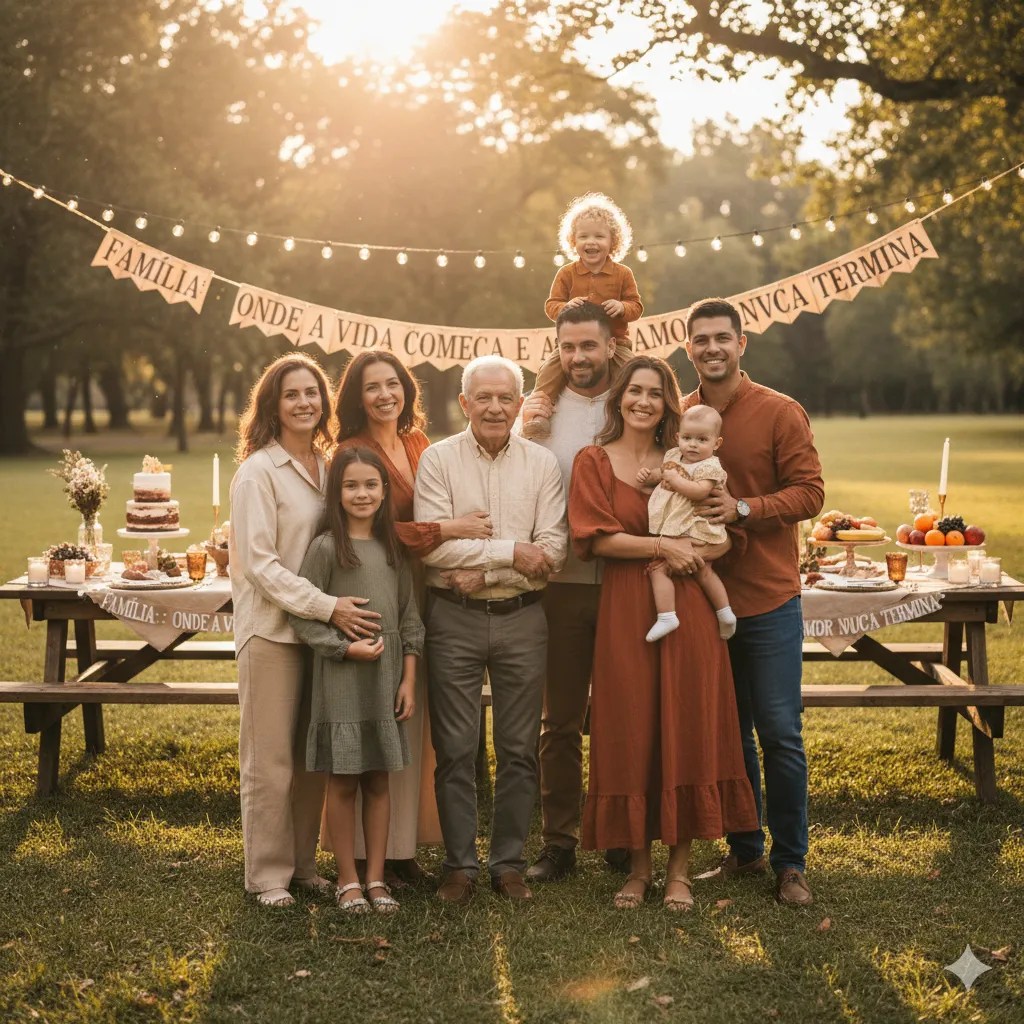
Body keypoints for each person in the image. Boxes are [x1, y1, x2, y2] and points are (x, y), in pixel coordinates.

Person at [568, 355, 759, 912]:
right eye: (635, 391)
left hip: (689, 605)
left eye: (655, 393)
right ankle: (637, 867)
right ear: (619, 398)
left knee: (685, 724)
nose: (643, 401)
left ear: (669, 405)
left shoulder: (692, 462)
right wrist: (663, 546)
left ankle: (679, 871)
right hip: (629, 609)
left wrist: (695, 551)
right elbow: (596, 538)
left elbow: (725, 537)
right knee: (631, 727)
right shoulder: (593, 461)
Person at [330, 351, 493, 888]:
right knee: (381, 717)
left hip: (427, 590)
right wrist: (447, 531)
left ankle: (403, 847)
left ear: (406, 389)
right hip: (381, 587)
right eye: (372, 386)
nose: (384, 395)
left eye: (393, 384)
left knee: (415, 721)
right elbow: (373, 531)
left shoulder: (420, 442)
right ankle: (368, 855)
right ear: (356, 396)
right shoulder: (352, 452)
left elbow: (440, 507)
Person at [682, 297, 825, 907]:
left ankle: (791, 863)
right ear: (688, 348)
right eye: (700, 339)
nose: (711, 348)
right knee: (726, 733)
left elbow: (811, 493)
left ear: (742, 344)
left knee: (779, 732)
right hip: (699, 601)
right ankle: (745, 848)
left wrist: (744, 508)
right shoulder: (678, 414)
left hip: (765, 599)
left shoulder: (778, 412)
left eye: (722, 337)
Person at [414, 355, 568, 902]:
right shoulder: (437, 461)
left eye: (506, 397)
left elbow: (551, 551)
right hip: (451, 621)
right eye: (484, 397)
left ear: (520, 403)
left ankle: (508, 864)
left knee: (520, 748)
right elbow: (435, 545)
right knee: (455, 747)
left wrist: (481, 570)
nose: (496, 407)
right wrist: (509, 552)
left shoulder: (542, 465)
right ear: (464, 404)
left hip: (523, 620)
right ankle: (459, 865)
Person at [230, 352, 380, 908]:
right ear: (273, 403)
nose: (303, 403)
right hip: (273, 631)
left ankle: (302, 866)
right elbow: (260, 565)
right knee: (269, 760)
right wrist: (328, 608)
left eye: (312, 393)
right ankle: (267, 876)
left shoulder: (327, 466)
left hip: (323, 633)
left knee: (311, 755)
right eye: (291, 394)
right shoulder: (257, 473)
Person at [518, 301, 627, 882]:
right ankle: (557, 841)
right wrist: (525, 431)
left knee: (617, 713)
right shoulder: (540, 410)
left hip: (623, 582)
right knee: (558, 719)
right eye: (568, 347)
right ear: (556, 349)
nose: (578, 357)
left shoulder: (634, 401)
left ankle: (616, 832)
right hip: (556, 585)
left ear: (611, 346)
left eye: (589, 346)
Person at [289, 447, 424, 914]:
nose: (362, 494)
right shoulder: (327, 548)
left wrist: (407, 680)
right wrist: (345, 648)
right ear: (337, 493)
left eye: (371, 485)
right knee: (343, 780)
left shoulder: (393, 550)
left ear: (385, 492)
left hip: (387, 679)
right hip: (343, 678)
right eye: (351, 485)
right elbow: (304, 617)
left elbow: (409, 619)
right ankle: (347, 880)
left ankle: (376, 878)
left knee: (380, 780)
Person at [522, 192, 643, 439]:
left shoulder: (622, 274)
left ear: (613, 241)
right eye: (583, 236)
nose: (591, 242)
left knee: (635, 373)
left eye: (599, 236)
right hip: (575, 342)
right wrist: (565, 307)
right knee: (548, 371)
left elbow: (636, 306)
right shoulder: (567, 274)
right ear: (573, 241)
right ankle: (539, 416)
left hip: (617, 343)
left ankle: (631, 419)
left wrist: (621, 307)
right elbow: (551, 305)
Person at [637, 404, 737, 643]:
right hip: (681, 525)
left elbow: (699, 492)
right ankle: (725, 614)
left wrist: (674, 478)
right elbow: (661, 473)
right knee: (703, 571)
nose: (693, 444)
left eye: (702, 439)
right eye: (688, 438)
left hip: (697, 527)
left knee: (659, 569)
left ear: (716, 443)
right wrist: (650, 476)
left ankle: (667, 616)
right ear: (677, 437)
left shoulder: (710, 466)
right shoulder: (673, 456)